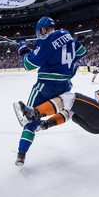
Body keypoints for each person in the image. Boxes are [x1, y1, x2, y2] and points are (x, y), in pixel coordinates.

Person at [15, 16, 87, 166]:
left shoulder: (44, 41)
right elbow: (82, 51)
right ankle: (47, 122)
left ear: (43, 29)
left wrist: (23, 50)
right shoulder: (69, 37)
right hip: (65, 86)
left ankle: (21, 154)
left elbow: (29, 64)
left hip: (46, 87)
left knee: (30, 120)